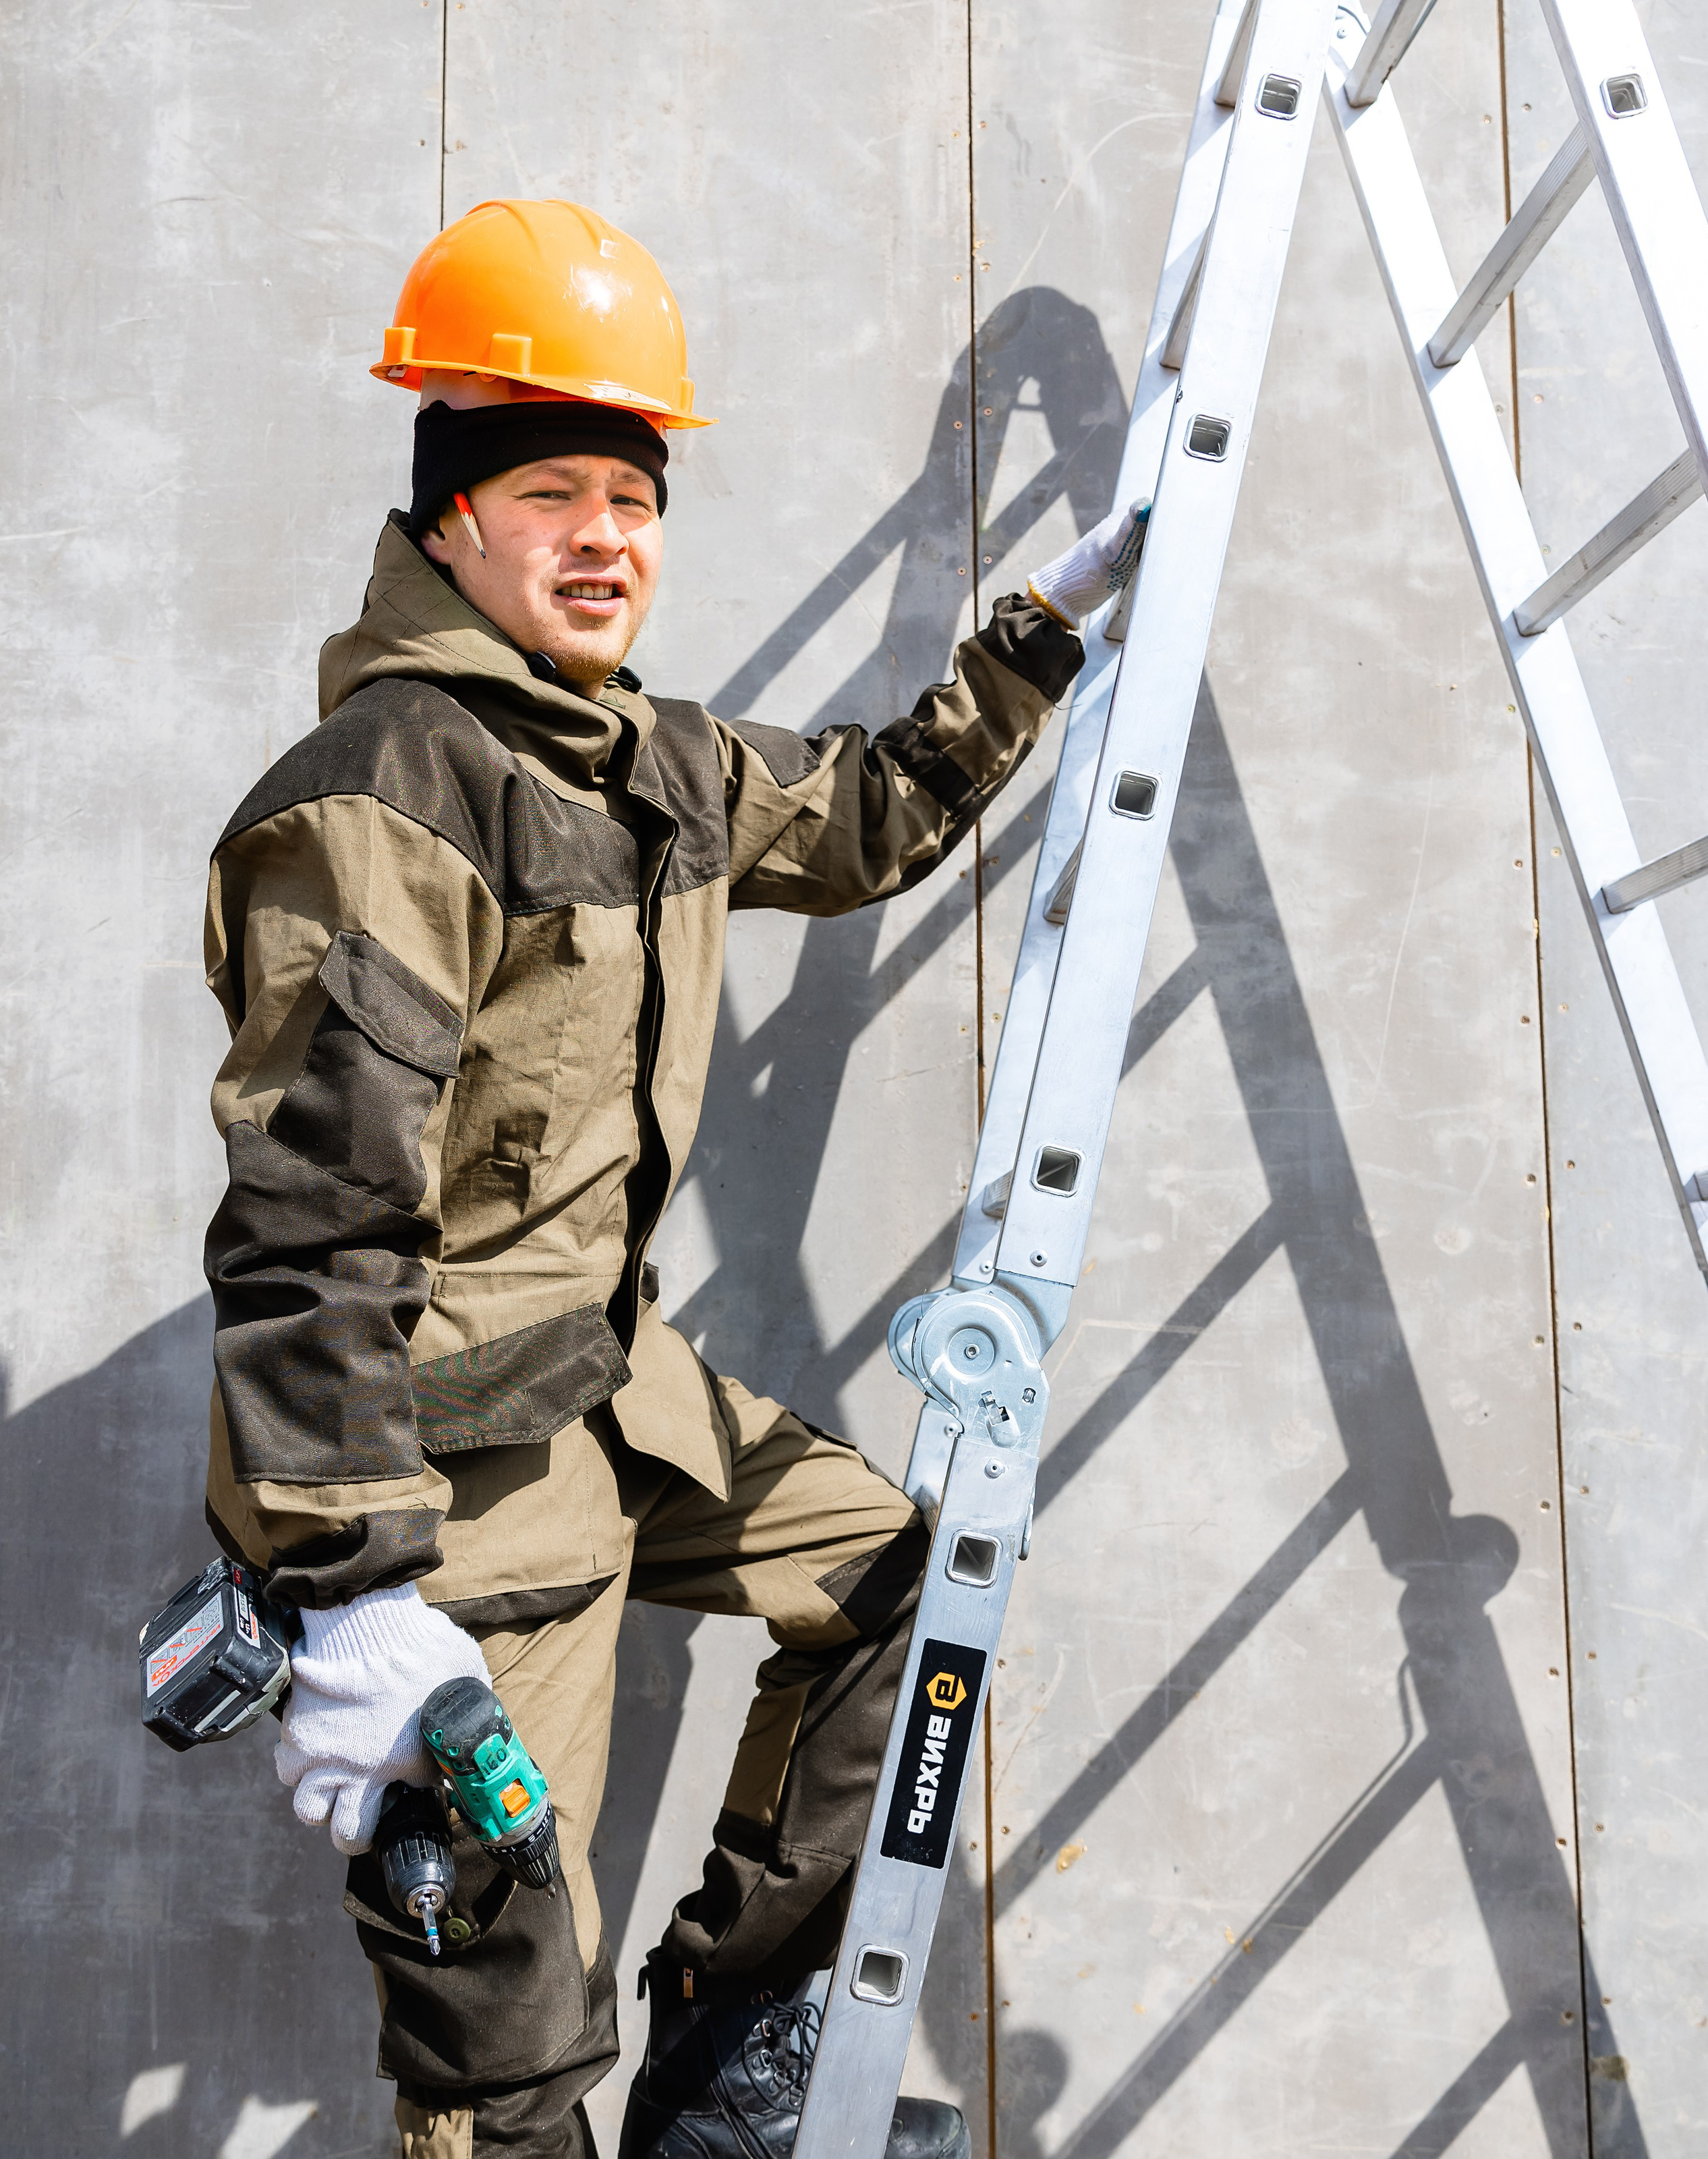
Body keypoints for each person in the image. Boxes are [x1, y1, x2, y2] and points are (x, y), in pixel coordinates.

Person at [198, 197, 1146, 2159]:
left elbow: (874, 811)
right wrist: (351, 1594)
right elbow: (311, 1229)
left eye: (632, 498)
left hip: (616, 1385)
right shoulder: (389, 796)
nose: (604, 536)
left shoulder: (653, 763)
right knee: (505, 2053)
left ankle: (724, 2078)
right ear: (451, 521)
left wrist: (1042, 633)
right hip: (445, 1480)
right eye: (550, 492)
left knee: (911, 1593)